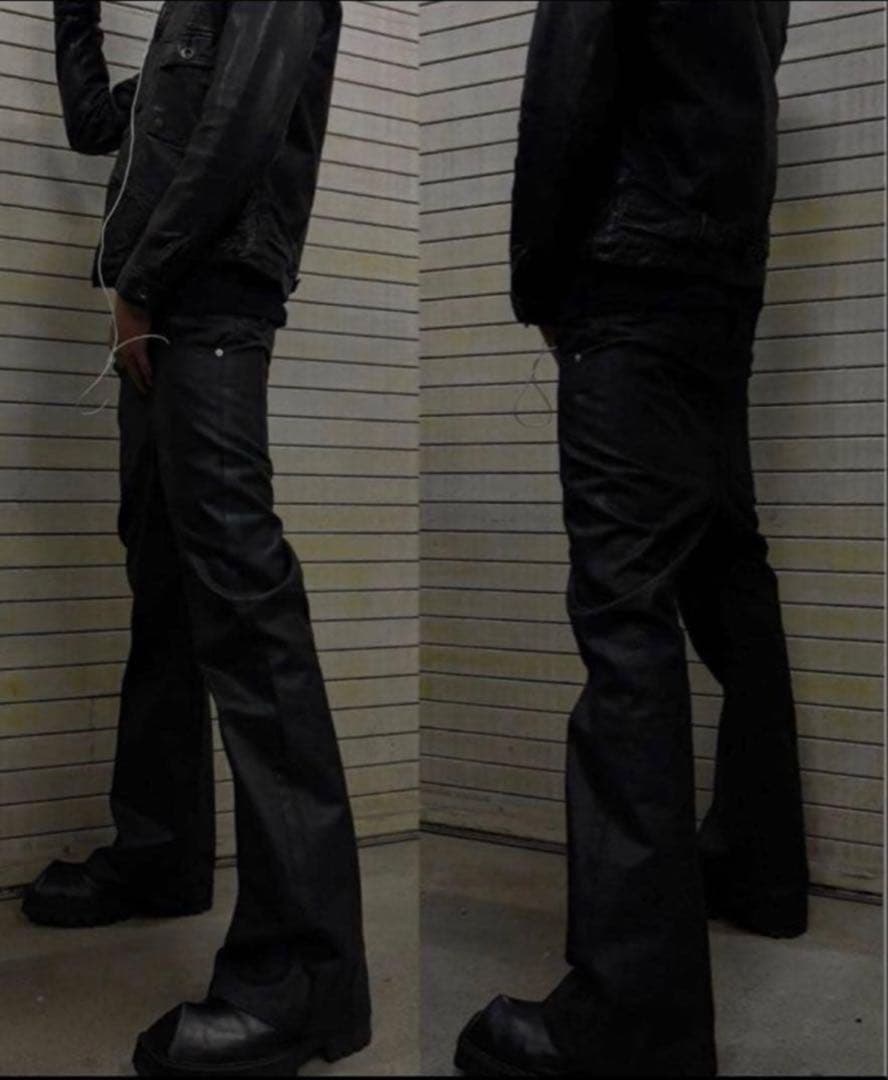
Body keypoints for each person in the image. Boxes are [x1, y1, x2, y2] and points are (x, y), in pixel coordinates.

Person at [455, 2, 809, 1075]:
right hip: (720, 278)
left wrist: (537, 277)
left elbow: (569, 83)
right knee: (727, 569)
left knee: (625, 614)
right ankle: (758, 870)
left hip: (634, 272)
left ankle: (634, 1016)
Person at [24, 2, 371, 1075]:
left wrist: (140, 281)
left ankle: (305, 975)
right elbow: (97, 125)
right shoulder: (187, 21)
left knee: (249, 616)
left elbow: (244, 124)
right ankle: (162, 853)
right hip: (164, 320)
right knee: (167, 593)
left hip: (206, 306)